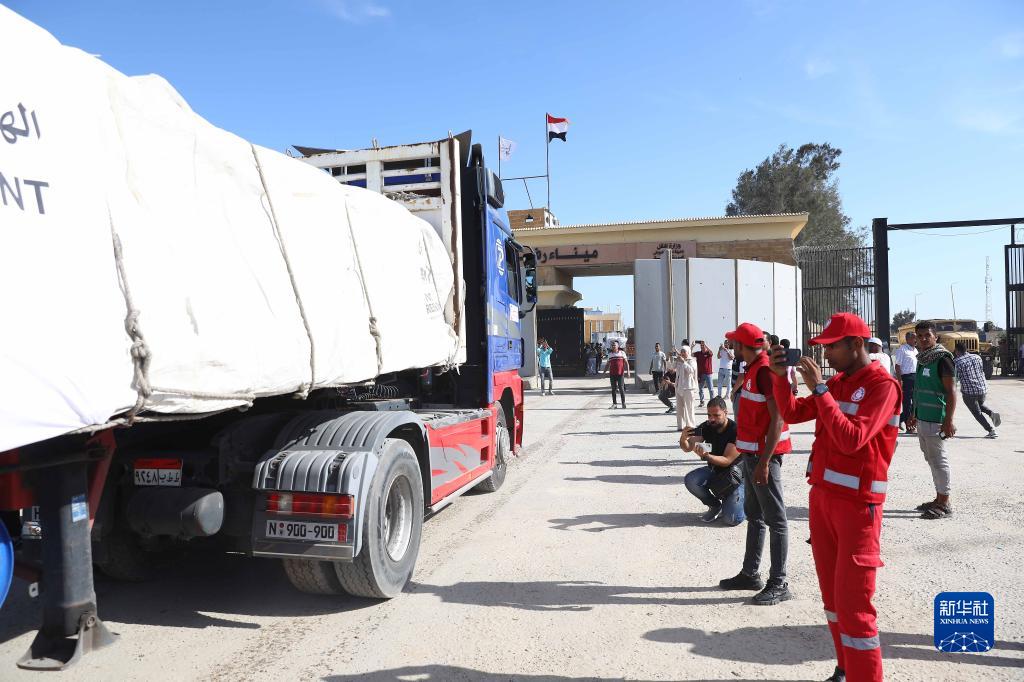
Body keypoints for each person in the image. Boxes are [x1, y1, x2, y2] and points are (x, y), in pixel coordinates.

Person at [768, 312, 902, 682]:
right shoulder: (839, 382)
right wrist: (780, 378)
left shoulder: (883, 386)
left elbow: (851, 439)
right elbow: (792, 412)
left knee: (855, 606)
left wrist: (821, 391)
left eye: (831, 347)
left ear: (856, 344)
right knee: (832, 601)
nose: (825, 354)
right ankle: (845, 668)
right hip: (823, 500)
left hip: (858, 507)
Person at [718, 322, 793, 607]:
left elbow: (778, 418)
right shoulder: (752, 369)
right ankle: (750, 574)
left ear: (742, 346)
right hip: (752, 455)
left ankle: (779, 582)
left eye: (734, 343)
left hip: (764, 458)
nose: (731, 346)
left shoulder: (764, 371)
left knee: (776, 519)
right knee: (755, 516)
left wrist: (764, 462)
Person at [907, 320, 957, 520]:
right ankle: (938, 498)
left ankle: (944, 503)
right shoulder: (923, 359)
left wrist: (948, 421)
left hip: (937, 420)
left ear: (935, 337)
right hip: (923, 418)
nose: (923, 339)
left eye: (927, 335)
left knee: (939, 461)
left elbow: (951, 392)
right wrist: (914, 413)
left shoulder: (943, 359)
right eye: (919, 336)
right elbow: (919, 389)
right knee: (931, 459)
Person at [680, 397, 745, 525]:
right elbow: (688, 447)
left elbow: (727, 460)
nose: (712, 419)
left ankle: (749, 503)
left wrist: (707, 456)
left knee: (732, 519)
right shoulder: (707, 426)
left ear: (726, 413)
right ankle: (715, 506)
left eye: (716, 415)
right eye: (709, 415)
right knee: (691, 480)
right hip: (716, 471)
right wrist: (683, 439)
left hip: (736, 477)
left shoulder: (736, 430)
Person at [953, 342, 1000, 439]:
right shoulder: (977, 357)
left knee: (976, 412)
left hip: (969, 392)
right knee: (978, 406)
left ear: (956, 351)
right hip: (982, 389)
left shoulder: (957, 362)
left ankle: (991, 430)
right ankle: (991, 413)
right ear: (966, 349)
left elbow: (955, 378)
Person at [893, 332, 918, 432]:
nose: (916, 340)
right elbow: (897, 366)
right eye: (914, 338)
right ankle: (909, 426)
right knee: (907, 403)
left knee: (916, 402)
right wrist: (900, 380)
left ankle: (900, 419)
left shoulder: (915, 350)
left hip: (915, 377)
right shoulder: (902, 349)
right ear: (908, 339)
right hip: (906, 378)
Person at [674, 345, 698, 431]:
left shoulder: (692, 361)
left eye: (684, 351)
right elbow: (671, 369)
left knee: (689, 408)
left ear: (688, 352)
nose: (682, 353)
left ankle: (690, 426)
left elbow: (691, 371)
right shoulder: (679, 360)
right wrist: (671, 359)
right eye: (682, 351)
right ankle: (681, 426)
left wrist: (684, 362)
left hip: (688, 387)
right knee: (679, 408)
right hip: (679, 387)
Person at [607, 340, 629, 408]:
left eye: (614, 345)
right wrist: (604, 372)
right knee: (613, 389)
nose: (613, 346)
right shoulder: (610, 354)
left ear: (618, 346)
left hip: (620, 374)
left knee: (621, 389)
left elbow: (626, 363)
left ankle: (623, 403)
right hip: (612, 374)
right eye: (612, 345)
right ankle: (614, 404)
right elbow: (608, 364)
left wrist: (628, 372)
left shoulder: (622, 353)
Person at [694, 341, 715, 408]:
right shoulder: (698, 353)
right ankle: (702, 402)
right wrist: (692, 346)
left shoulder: (708, 353)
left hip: (708, 374)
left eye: (703, 346)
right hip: (700, 374)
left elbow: (711, 353)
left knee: (711, 389)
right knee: (701, 389)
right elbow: (690, 354)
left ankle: (712, 402)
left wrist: (706, 345)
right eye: (701, 346)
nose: (702, 347)